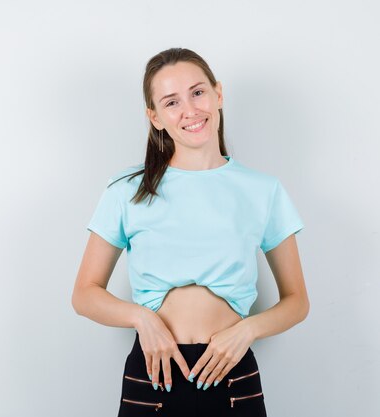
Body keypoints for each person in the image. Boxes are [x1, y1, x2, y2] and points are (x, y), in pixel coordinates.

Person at [71, 47, 310, 417]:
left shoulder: (263, 190)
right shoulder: (126, 190)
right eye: (171, 102)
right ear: (155, 117)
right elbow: (84, 295)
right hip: (154, 375)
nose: (190, 110)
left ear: (218, 94)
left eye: (197, 92)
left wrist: (247, 331)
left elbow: (297, 301)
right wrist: (141, 318)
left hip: (232, 373)